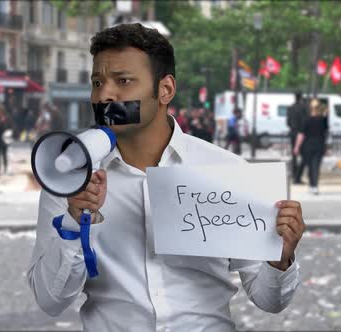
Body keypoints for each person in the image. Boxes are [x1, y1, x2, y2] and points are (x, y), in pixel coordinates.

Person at [27, 23, 305, 331]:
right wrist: (73, 222)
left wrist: (280, 259)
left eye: (123, 81)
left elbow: (270, 300)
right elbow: (50, 300)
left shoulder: (228, 172)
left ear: (165, 89)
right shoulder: (69, 182)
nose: (105, 95)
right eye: (97, 81)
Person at [293, 99, 328, 195]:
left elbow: (301, 134)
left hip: (307, 146)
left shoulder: (306, 120)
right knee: (316, 166)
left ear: (310, 109)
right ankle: (315, 186)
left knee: (310, 166)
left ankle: (311, 185)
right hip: (319, 145)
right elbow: (325, 133)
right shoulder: (323, 120)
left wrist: (296, 146)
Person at [287, 90, 307, 184]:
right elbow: (305, 121)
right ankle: (298, 176)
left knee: (294, 155)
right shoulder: (303, 107)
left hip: (292, 132)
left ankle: (294, 174)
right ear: (301, 97)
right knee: (303, 155)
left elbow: (287, 122)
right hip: (301, 133)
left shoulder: (290, 108)